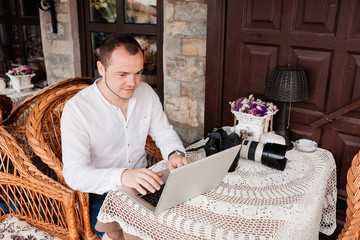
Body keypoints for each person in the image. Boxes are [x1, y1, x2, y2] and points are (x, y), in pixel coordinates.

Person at [61, 34, 191, 239]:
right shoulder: (77, 110)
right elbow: (74, 174)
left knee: (184, 222)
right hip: (103, 195)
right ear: (101, 68)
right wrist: (122, 176)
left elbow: (164, 133)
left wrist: (174, 154)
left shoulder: (146, 93)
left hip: (147, 185)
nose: (133, 82)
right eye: (122, 74)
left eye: (138, 72)